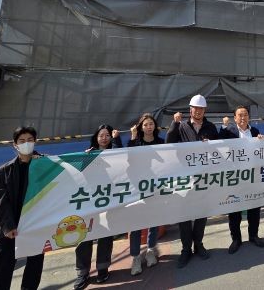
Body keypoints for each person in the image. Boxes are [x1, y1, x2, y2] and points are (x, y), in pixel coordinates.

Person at [166, 94, 219, 268]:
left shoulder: (211, 127)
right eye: (195, 108)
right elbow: (169, 143)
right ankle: (186, 249)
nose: (198, 111)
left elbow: (218, 150)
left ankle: (199, 245)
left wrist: (210, 145)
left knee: (202, 213)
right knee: (185, 215)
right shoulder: (181, 126)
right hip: (185, 178)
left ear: (205, 110)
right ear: (190, 110)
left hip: (204, 177)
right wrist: (174, 124)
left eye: (201, 109)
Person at [0, 126, 45, 290]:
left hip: (36, 223)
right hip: (11, 225)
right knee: (4, 267)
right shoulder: (4, 171)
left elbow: (67, 172)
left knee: (35, 264)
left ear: (35, 142)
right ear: (15, 145)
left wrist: (87, 155)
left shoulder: (46, 165)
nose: (26, 143)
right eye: (21, 141)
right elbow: (2, 201)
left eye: (30, 140)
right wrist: (8, 226)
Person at [73, 124, 122, 290]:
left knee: (106, 234)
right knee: (84, 234)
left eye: (107, 135)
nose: (104, 138)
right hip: (90, 200)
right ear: (96, 137)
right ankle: (82, 272)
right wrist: (86, 158)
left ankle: (102, 268)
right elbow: (80, 175)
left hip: (109, 199)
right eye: (101, 135)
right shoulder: (89, 153)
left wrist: (116, 140)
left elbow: (121, 161)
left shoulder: (116, 152)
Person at [219, 106, 264, 254]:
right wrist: (224, 126)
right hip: (235, 177)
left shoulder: (255, 131)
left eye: (245, 114)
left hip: (252, 176)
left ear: (249, 117)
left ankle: (253, 235)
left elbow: (261, 151)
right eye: (240, 115)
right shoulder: (229, 131)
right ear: (235, 118)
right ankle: (236, 239)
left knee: (254, 207)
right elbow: (218, 142)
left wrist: (262, 140)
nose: (243, 117)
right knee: (234, 210)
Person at [127, 113, 164, 275]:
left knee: (153, 220)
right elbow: (129, 160)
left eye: (151, 124)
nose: (149, 127)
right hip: (137, 188)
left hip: (155, 187)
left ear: (155, 126)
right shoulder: (136, 142)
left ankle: (150, 250)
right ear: (141, 127)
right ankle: (135, 257)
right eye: (146, 124)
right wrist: (133, 137)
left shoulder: (160, 142)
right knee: (136, 224)